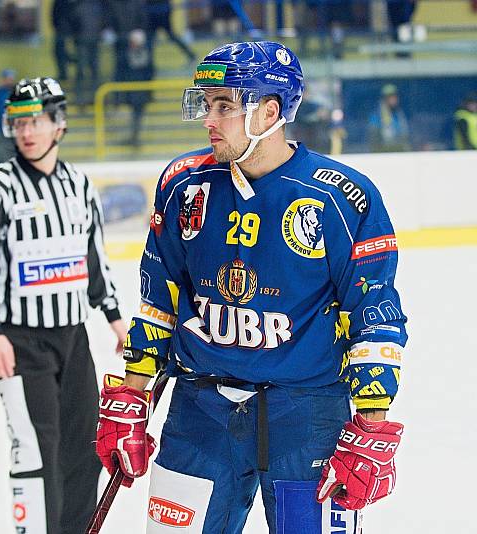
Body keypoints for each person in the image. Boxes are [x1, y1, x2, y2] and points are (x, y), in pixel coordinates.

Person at [95, 41, 407, 533]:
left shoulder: (342, 197)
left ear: (270, 111)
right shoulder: (183, 186)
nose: (208, 120)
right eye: (207, 105)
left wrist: (370, 424)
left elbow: (374, 317)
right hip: (199, 414)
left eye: (224, 106)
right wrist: (131, 398)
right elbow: (160, 302)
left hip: (307, 416)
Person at [0, 77, 126, 534]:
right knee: (38, 448)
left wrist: (116, 319)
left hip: (73, 337)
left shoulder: (79, 186)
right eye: (19, 122)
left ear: (58, 124)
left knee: (83, 446)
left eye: (36, 120)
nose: (27, 131)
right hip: (20, 341)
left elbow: (93, 258)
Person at [368, 84, 410, 153]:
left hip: (400, 152)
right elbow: (373, 139)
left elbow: (404, 135)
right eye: (390, 97)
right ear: (384, 99)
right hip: (384, 153)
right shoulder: (377, 116)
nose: (394, 99)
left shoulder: (399, 114)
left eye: (395, 96)